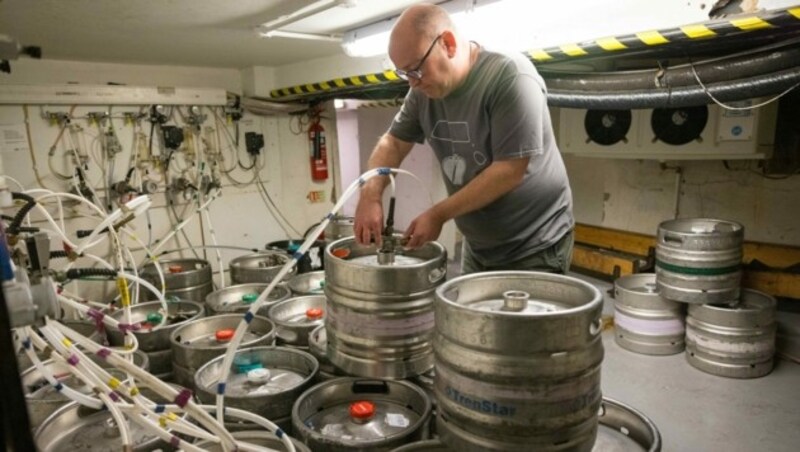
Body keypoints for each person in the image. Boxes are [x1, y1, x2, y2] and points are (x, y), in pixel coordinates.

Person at [353, 3, 574, 275]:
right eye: (405, 74)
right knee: (474, 319)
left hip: (535, 245)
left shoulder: (509, 76)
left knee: (516, 319)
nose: (412, 82)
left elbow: (509, 170)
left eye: (416, 69)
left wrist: (437, 214)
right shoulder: (422, 92)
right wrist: (370, 194)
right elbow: (394, 142)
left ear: (447, 43)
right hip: (479, 246)